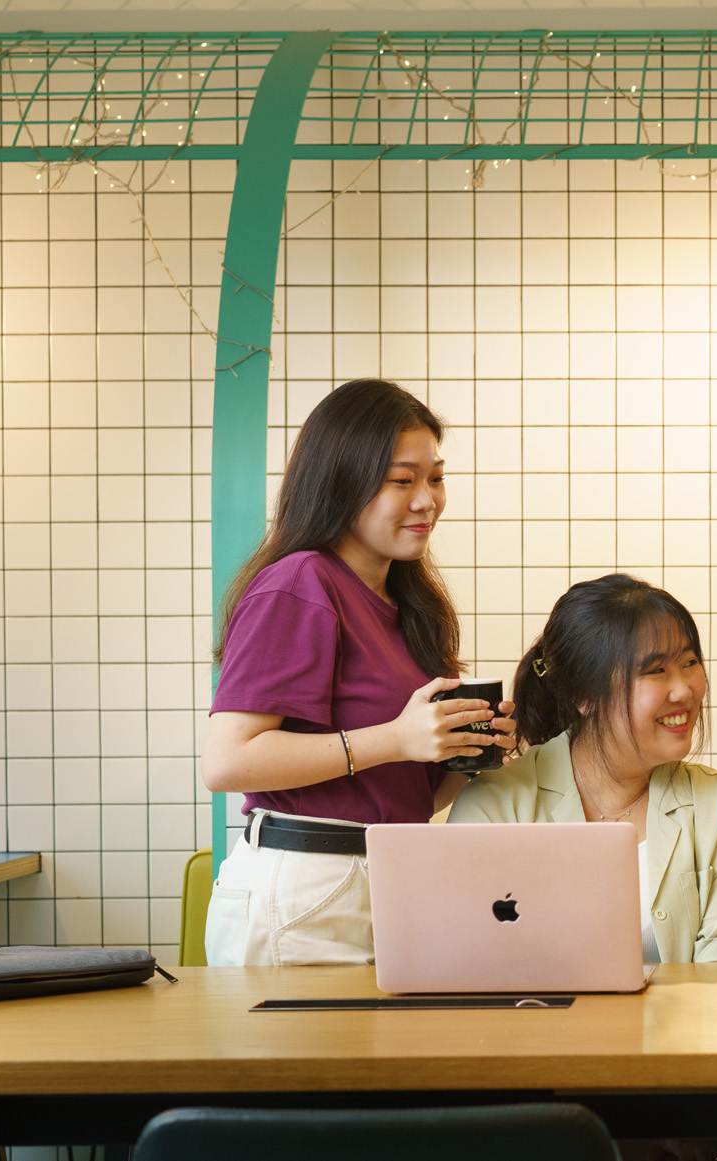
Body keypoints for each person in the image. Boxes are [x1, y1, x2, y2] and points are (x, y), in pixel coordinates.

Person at [202, 379, 515, 967]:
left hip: (388, 879)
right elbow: (226, 761)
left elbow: (402, 789)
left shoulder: (408, 607)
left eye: (436, 478)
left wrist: (467, 752)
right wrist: (396, 737)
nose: (428, 500)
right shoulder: (300, 584)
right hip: (307, 887)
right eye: (403, 481)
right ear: (342, 481)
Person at [448, 573, 717, 964]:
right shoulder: (495, 804)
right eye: (656, 671)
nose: (684, 689)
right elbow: (470, 963)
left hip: (682, 1026)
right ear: (584, 694)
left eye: (689, 662)